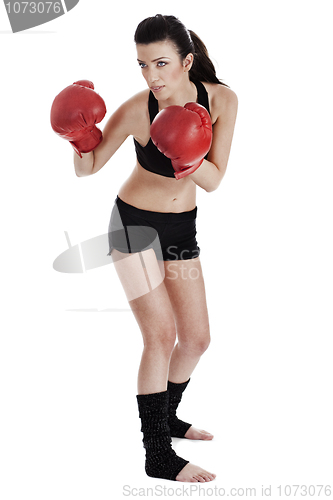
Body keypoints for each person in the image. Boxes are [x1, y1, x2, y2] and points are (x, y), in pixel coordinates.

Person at [52, 14, 238, 482]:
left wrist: (188, 154)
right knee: (159, 335)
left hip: (182, 228)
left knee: (196, 339)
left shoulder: (222, 100)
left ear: (186, 61)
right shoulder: (140, 108)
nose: (151, 76)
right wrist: (77, 139)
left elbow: (214, 181)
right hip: (133, 225)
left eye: (160, 63)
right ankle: (157, 453)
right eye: (141, 65)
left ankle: (166, 417)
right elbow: (89, 168)